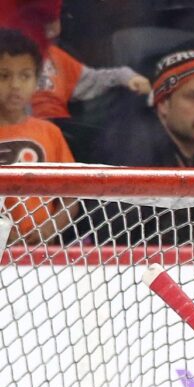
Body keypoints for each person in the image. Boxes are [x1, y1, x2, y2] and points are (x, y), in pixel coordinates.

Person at [0, 0, 149, 121]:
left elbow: (93, 80)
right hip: (19, 133)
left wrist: (127, 76)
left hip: (61, 130)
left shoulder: (55, 56)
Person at [0, 27, 76, 244]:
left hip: (44, 256)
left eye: (25, 76)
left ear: (36, 81)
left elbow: (70, 200)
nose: (15, 85)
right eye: (4, 76)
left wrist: (48, 229)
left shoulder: (49, 133)